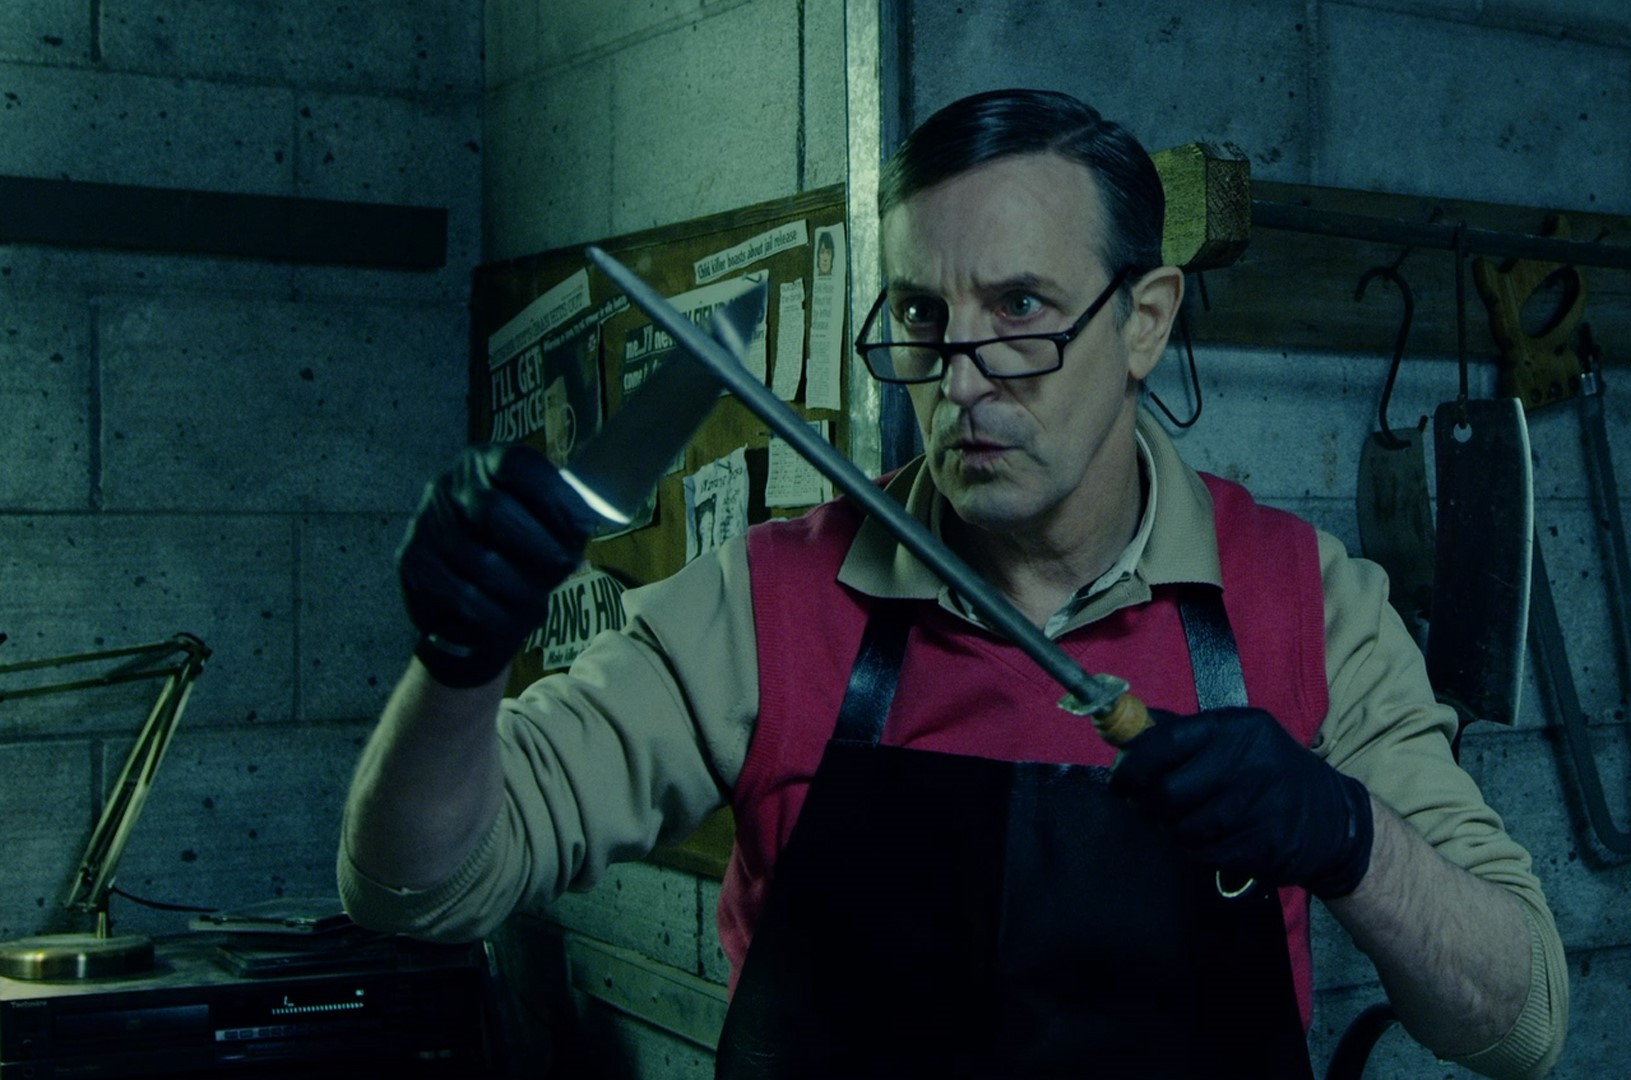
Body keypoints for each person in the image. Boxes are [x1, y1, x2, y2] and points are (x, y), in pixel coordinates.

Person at [340, 88, 1567, 1079]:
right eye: (924, 316)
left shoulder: (1311, 602)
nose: (962, 380)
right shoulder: (764, 605)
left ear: (1144, 321)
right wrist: (459, 662)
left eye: (1021, 307)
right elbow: (419, 891)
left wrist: (1349, 835)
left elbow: (1519, 1022)